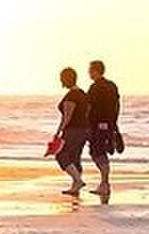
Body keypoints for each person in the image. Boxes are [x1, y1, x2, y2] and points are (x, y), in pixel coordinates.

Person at [87, 60, 122, 202]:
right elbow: (117, 106)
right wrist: (113, 123)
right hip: (109, 123)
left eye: (90, 70)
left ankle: (105, 183)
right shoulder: (111, 86)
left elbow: (89, 108)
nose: (89, 73)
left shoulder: (95, 87)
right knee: (101, 151)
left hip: (97, 124)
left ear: (96, 71)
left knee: (97, 152)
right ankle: (104, 182)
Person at [52, 67, 89, 195]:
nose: (61, 81)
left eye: (62, 78)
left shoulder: (71, 96)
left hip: (73, 129)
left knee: (61, 154)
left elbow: (67, 117)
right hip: (84, 129)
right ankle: (75, 185)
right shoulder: (83, 94)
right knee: (75, 157)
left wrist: (58, 133)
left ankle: (77, 180)